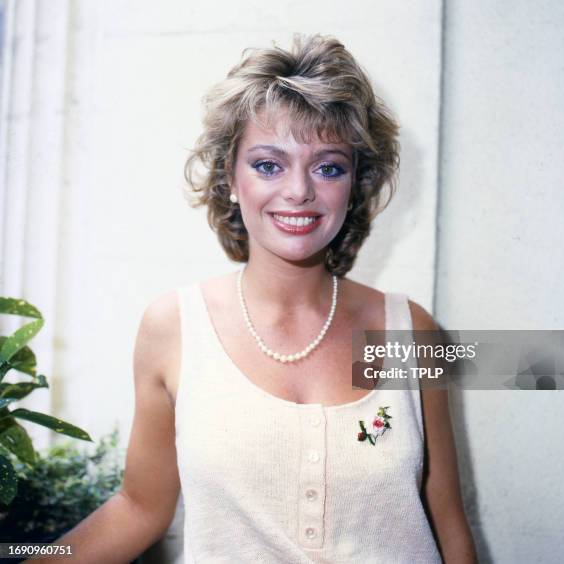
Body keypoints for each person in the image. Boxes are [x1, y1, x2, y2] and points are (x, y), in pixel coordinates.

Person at [29, 34, 476, 563]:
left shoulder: (411, 330)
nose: (299, 191)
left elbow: (445, 515)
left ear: (354, 185)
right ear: (230, 177)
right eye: (269, 164)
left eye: (328, 166)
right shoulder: (173, 327)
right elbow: (138, 507)